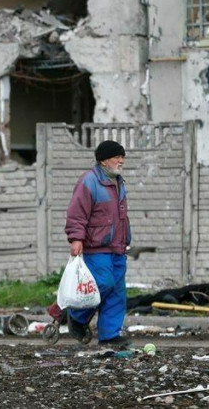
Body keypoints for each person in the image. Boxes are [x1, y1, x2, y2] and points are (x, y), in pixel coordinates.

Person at [64, 139, 131, 346]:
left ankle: (110, 336)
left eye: (122, 157)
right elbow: (77, 214)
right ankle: (76, 316)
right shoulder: (89, 181)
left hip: (117, 247)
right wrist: (76, 238)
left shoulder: (118, 182)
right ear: (103, 161)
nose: (121, 161)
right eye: (116, 157)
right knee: (102, 284)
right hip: (96, 247)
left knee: (117, 292)